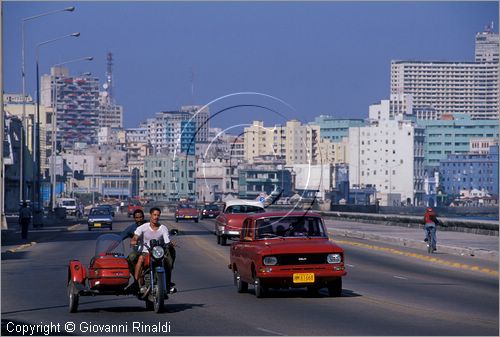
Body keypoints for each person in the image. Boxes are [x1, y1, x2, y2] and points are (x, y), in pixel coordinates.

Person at [130, 207, 176, 294]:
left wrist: (170, 243)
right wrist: (134, 240)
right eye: (154, 215)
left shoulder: (163, 228)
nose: (156, 217)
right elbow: (136, 236)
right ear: (150, 215)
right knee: (140, 259)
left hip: (158, 252)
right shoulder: (143, 227)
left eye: (158, 215)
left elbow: (167, 240)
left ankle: (168, 284)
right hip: (146, 252)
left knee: (168, 263)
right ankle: (136, 282)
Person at [121, 209, 146, 274]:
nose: (139, 219)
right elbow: (119, 238)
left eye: (140, 217)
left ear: (143, 217)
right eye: (137, 218)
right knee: (129, 260)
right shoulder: (131, 228)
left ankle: (167, 280)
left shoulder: (149, 225)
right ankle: (136, 279)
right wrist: (107, 249)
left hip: (152, 251)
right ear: (134, 218)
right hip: (139, 251)